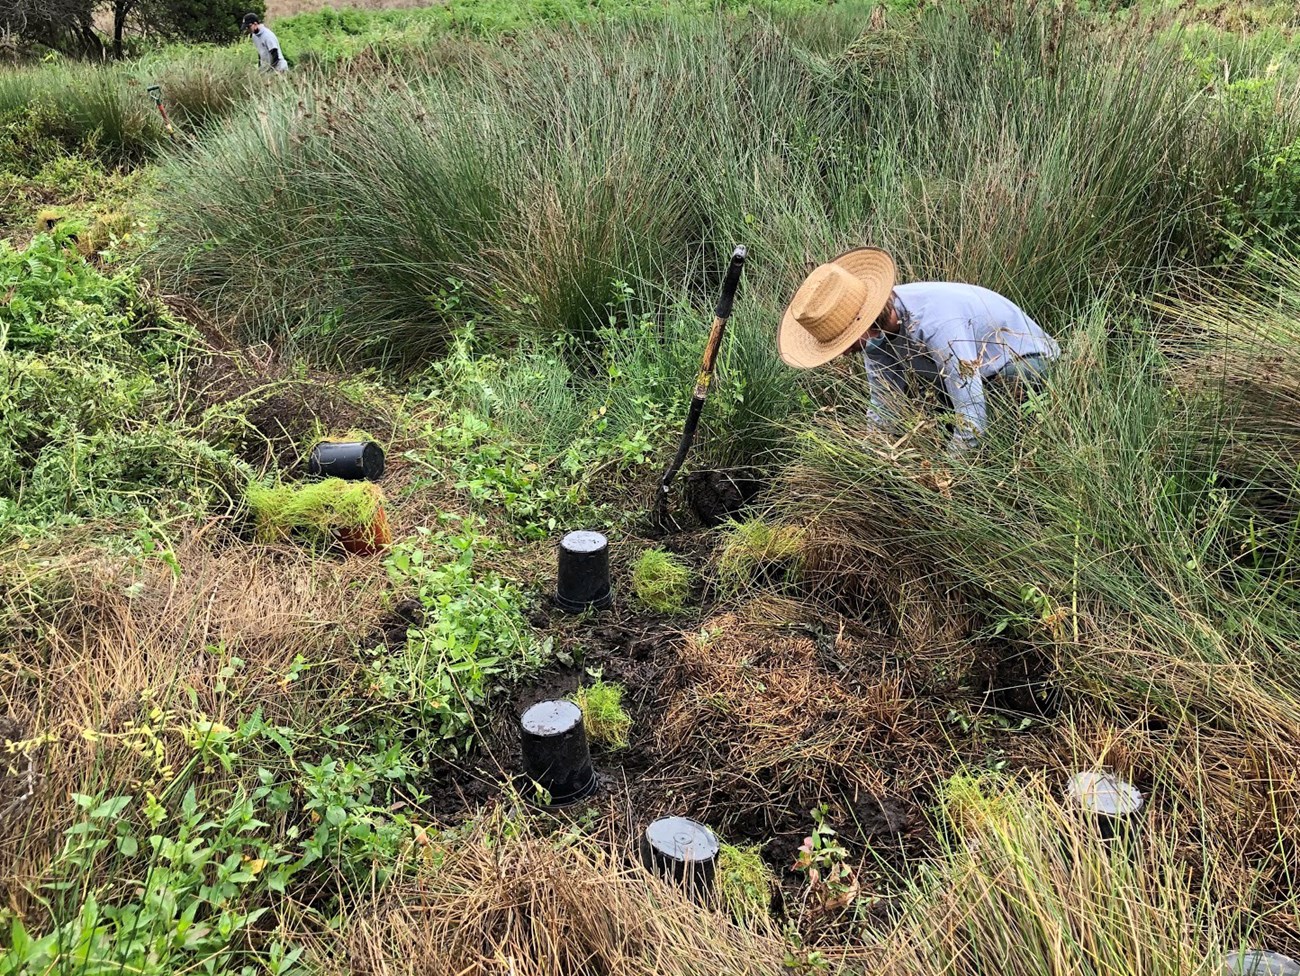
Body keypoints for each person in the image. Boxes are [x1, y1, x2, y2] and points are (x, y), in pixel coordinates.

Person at [777, 247, 1060, 455]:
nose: (841, 353)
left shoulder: (937, 325)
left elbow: (973, 421)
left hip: (1024, 364)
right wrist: (868, 459)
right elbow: (884, 406)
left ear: (863, 326)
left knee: (984, 429)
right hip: (969, 377)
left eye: (843, 342)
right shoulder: (877, 340)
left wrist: (943, 485)